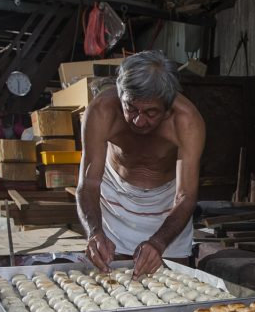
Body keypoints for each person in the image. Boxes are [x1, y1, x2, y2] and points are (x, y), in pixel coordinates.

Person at [76, 50, 205, 276]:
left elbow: (185, 196)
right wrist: (94, 232)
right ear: (120, 94)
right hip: (115, 196)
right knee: (112, 277)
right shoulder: (101, 110)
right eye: (131, 108)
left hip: (168, 203)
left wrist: (158, 242)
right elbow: (89, 182)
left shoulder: (187, 121)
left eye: (151, 112)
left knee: (174, 280)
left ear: (167, 106)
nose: (138, 120)